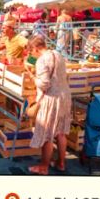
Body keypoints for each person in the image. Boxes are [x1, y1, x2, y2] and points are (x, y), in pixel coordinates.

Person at [24, 35, 72, 175]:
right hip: (64, 96)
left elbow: (44, 84)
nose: (32, 54)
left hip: (51, 99)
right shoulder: (58, 54)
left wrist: (33, 77)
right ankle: (61, 163)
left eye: (31, 51)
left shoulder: (41, 60)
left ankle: (43, 167)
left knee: (48, 133)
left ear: (35, 48)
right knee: (61, 132)